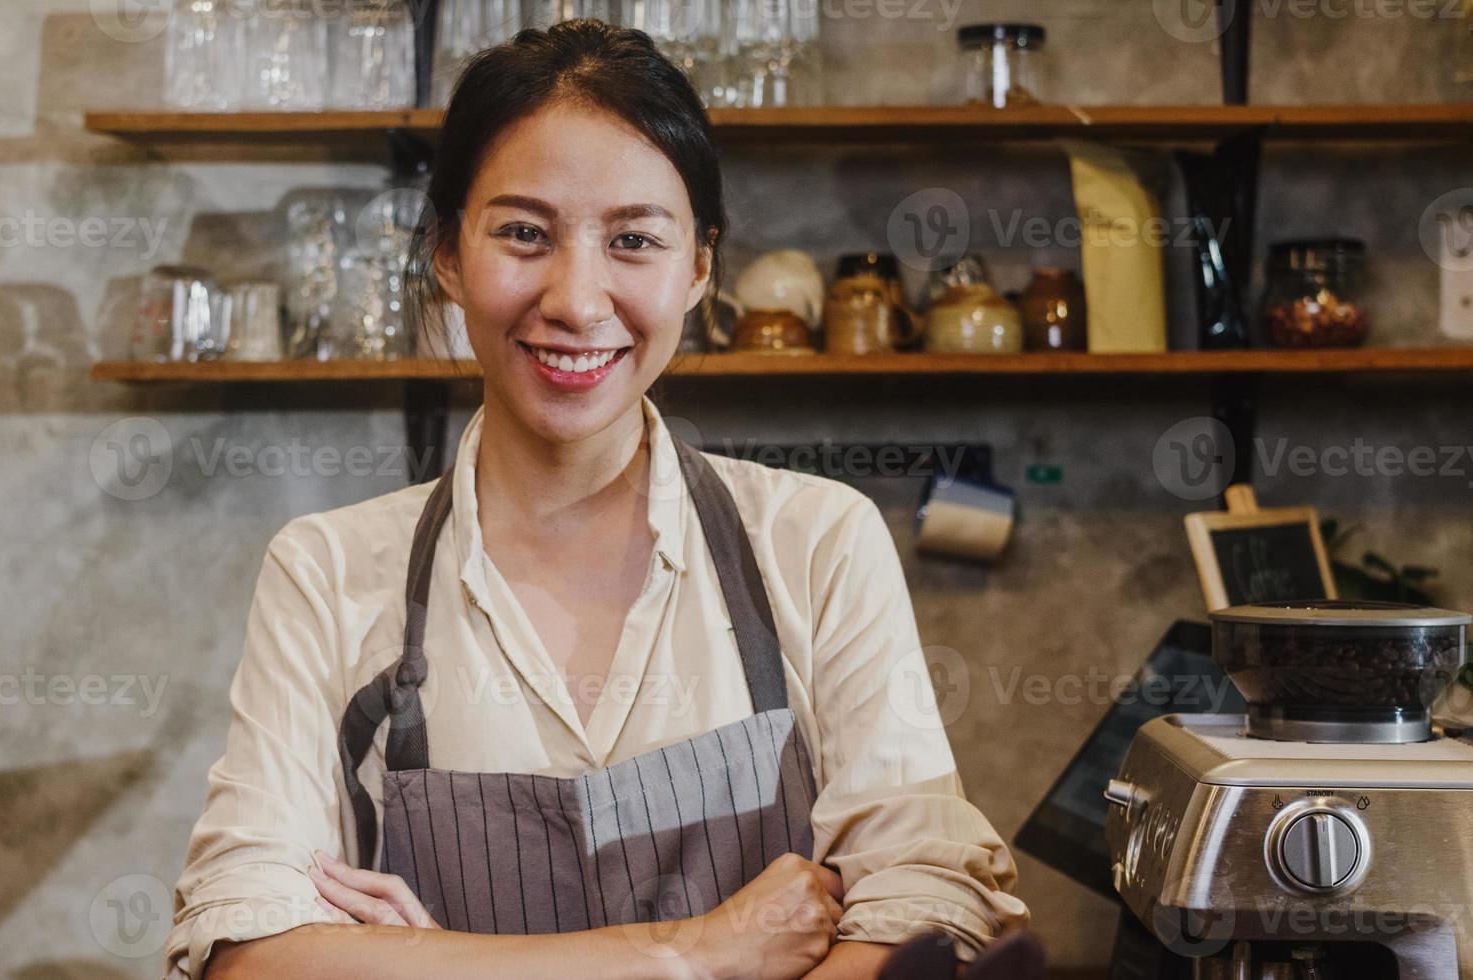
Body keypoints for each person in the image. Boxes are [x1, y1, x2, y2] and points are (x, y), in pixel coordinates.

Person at [166, 19, 1028, 980]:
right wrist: (688, 953)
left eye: (634, 240)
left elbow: (922, 906)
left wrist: (422, 962)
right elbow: (246, 954)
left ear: (700, 266)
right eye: (525, 234)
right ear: (448, 253)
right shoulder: (325, 571)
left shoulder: (817, 541)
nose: (579, 300)